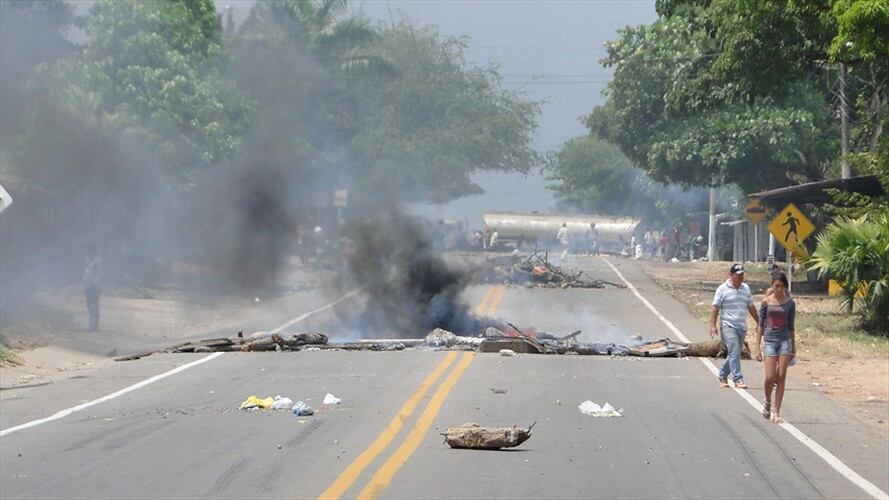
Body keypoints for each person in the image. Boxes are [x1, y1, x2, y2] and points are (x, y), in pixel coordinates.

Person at [710, 263, 759, 389]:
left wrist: (759, 321)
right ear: (731, 275)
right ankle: (738, 379)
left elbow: (751, 306)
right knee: (735, 351)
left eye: (742, 274)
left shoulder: (746, 289)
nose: (741, 277)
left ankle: (722, 374)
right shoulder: (722, 289)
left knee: (734, 353)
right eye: (738, 275)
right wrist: (713, 325)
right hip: (727, 325)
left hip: (741, 326)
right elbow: (715, 307)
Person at [756, 271, 796, 424]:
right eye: (776, 286)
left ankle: (777, 411)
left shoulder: (790, 304)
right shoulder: (766, 302)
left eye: (781, 286)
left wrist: (793, 346)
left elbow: (791, 327)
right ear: (772, 285)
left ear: (785, 287)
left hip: (784, 341)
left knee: (781, 376)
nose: (779, 289)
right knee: (770, 377)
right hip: (770, 341)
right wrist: (758, 347)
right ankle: (767, 400)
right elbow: (760, 325)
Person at [83, 245, 103, 331]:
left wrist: (95, 282)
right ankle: (94, 325)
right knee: (89, 305)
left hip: (95, 286)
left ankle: (93, 326)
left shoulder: (98, 261)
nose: (88, 252)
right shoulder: (87, 260)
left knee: (93, 305)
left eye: (89, 250)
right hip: (87, 285)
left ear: (94, 251)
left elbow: (100, 273)